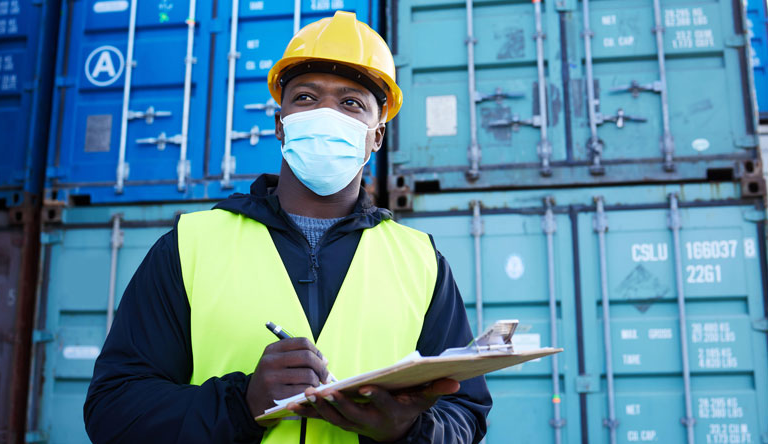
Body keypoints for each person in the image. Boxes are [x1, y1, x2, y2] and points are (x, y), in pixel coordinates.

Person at [84, 10, 491, 443]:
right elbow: (114, 412)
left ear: (377, 136)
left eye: (352, 102)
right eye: (306, 98)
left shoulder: (421, 262)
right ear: (281, 125)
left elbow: (465, 412)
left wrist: (408, 430)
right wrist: (243, 403)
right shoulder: (190, 247)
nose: (327, 114)